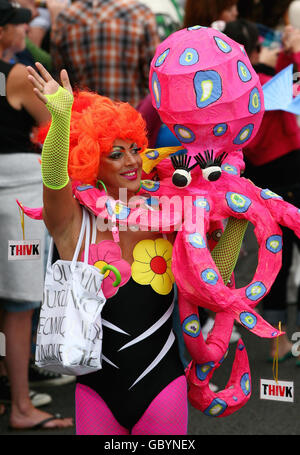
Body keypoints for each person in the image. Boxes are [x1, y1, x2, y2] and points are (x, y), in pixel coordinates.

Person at [26, 61, 188, 435]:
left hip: (162, 386)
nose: (132, 162)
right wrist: (61, 118)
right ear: (90, 160)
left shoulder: (167, 214)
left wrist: (234, 220)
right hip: (96, 392)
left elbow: (215, 279)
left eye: (135, 149)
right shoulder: (72, 223)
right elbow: (52, 177)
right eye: (116, 154)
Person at [0, 0, 73, 429]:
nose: (25, 33)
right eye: (19, 26)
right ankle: (23, 407)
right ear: (3, 31)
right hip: (20, 196)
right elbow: (55, 126)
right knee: (21, 303)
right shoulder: (16, 75)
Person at [223, 19, 300, 364]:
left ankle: (278, 343)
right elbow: (291, 115)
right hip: (293, 172)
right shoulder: (272, 84)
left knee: (277, 264)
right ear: (256, 48)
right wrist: (290, 55)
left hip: (261, 183)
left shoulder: (229, 93)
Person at [49, 0, 160, 107]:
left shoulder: (65, 18)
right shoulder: (140, 12)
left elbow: (61, 80)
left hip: (86, 119)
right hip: (133, 118)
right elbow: (155, 75)